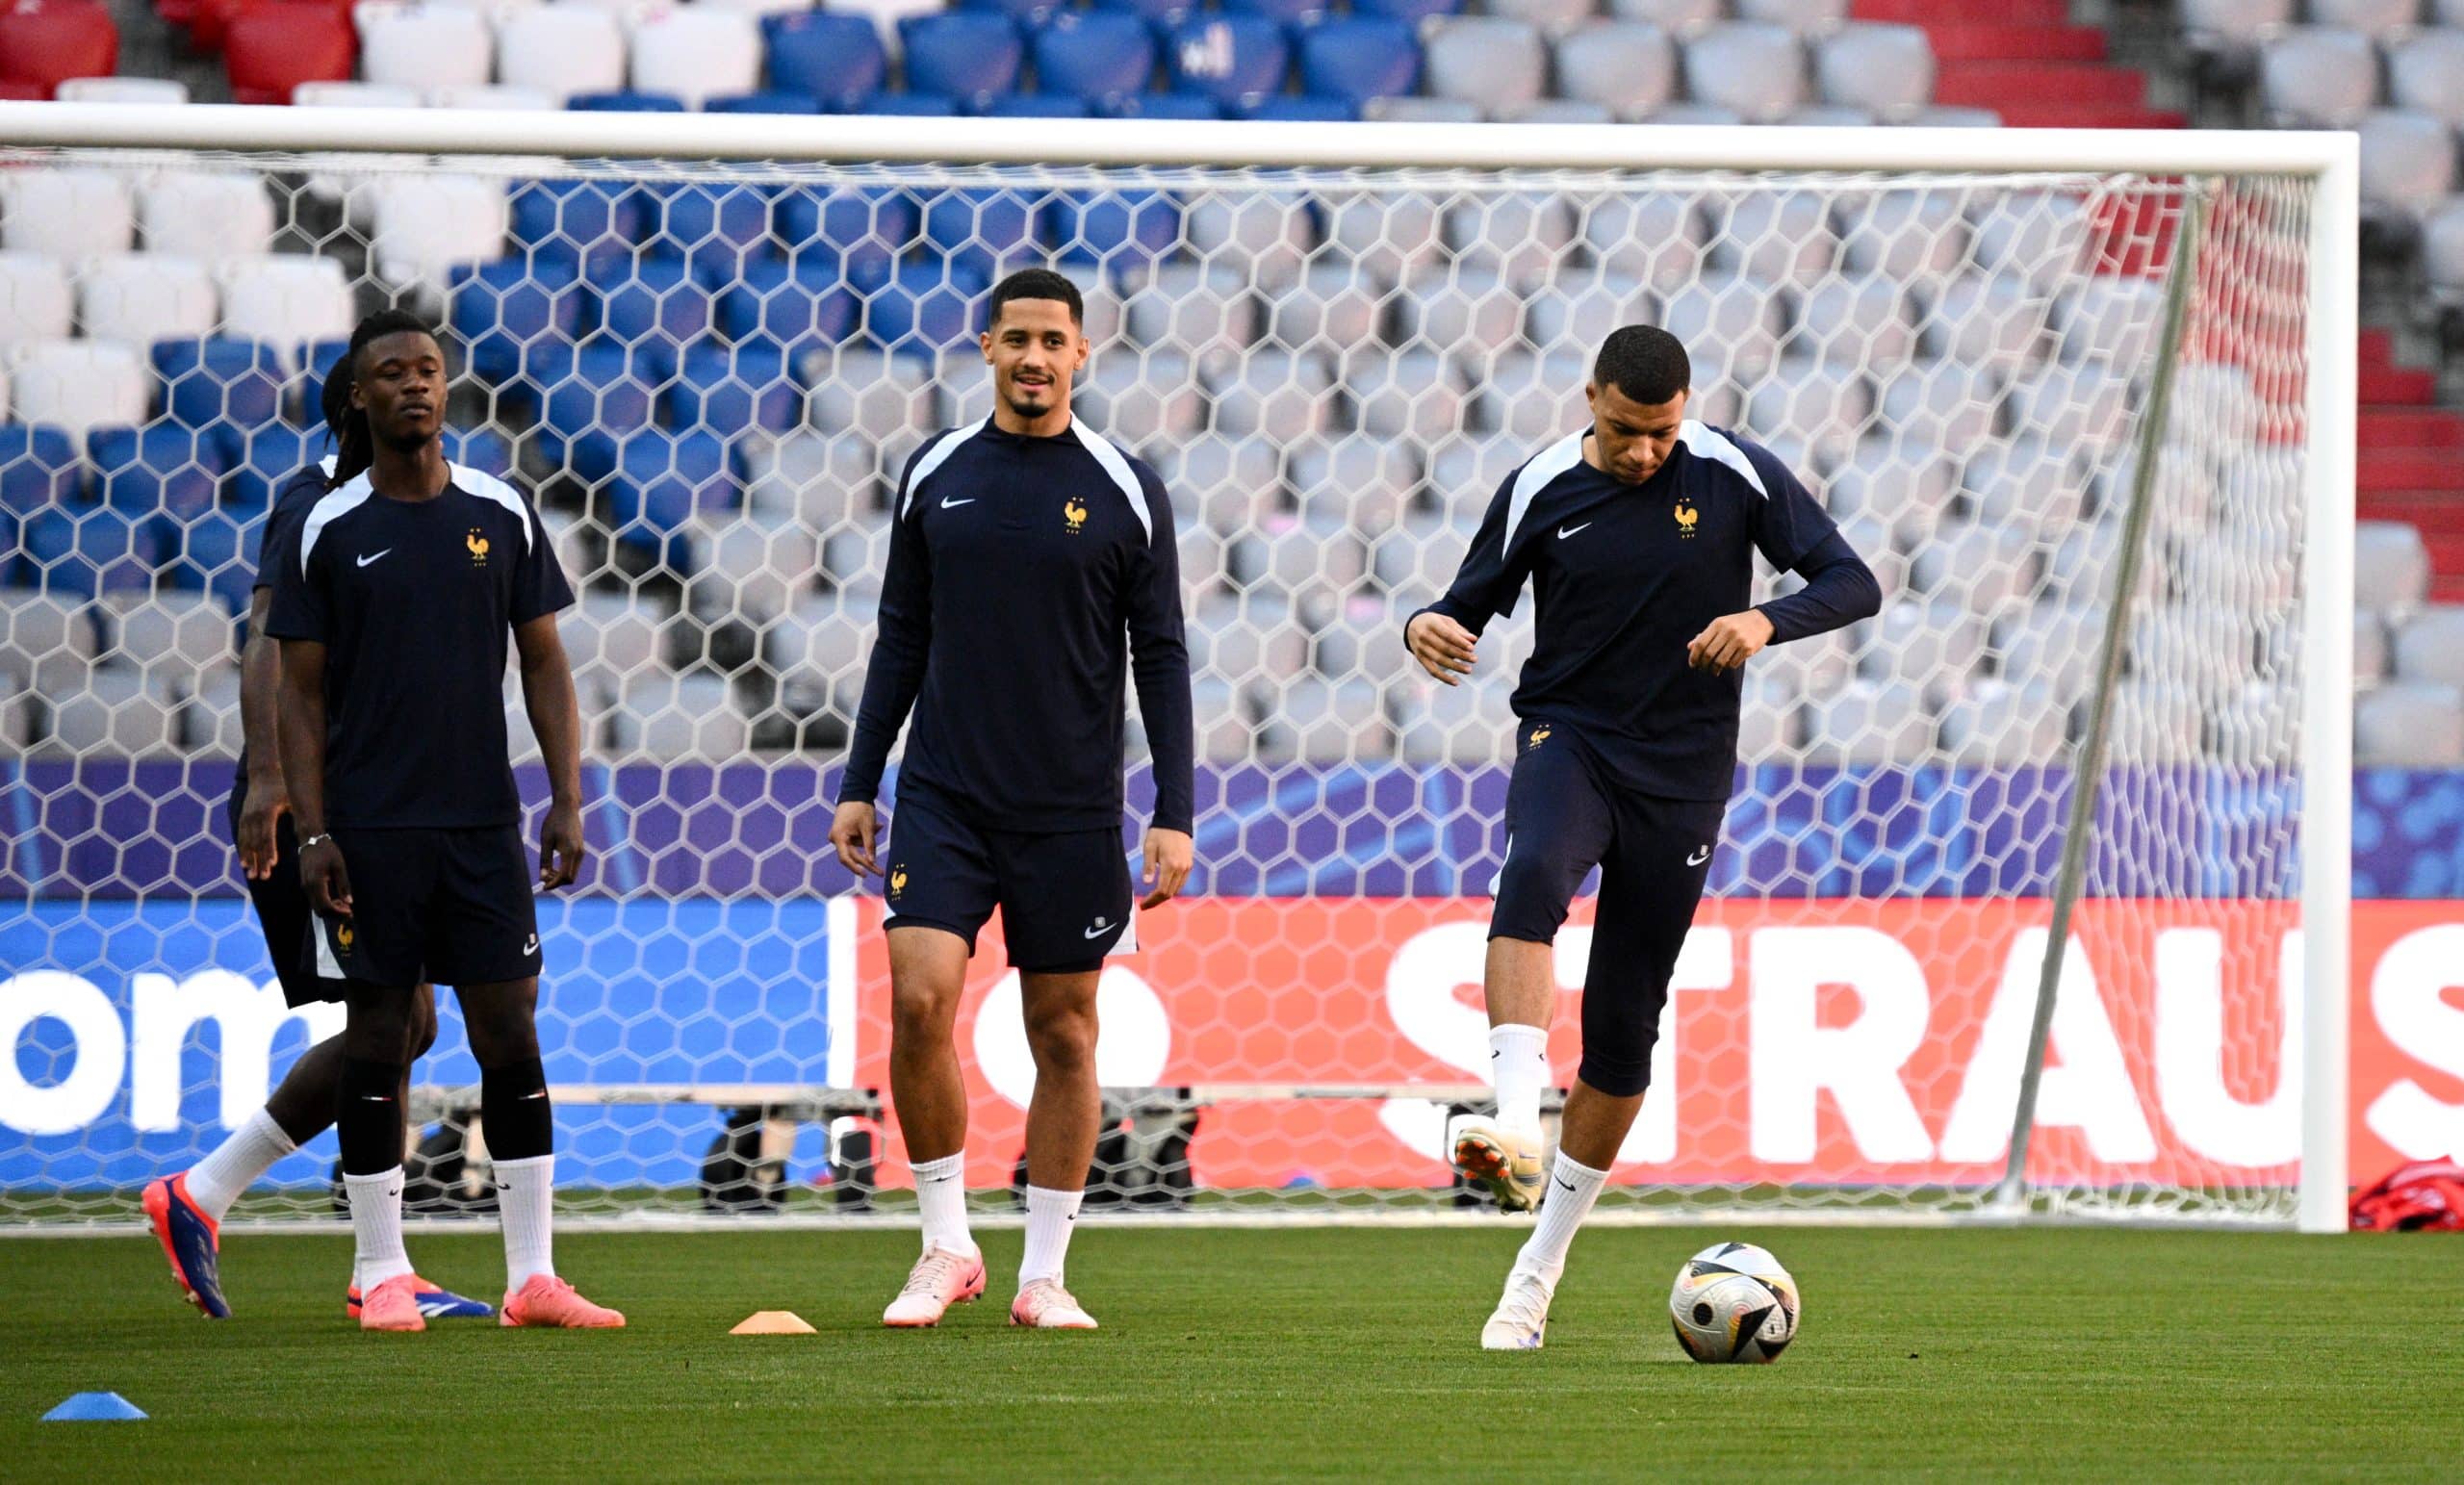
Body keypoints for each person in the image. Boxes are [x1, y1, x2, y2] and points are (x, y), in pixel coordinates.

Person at [1404, 325, 1881, 1350]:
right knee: (1532, 868)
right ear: (1590, 401)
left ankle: (1533, 1273)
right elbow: (1464, 605)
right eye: (1624, 432)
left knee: (1624, 1029)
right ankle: (1511, 1114)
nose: (1642, 454)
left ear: (1686, 409)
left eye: (1660, 433)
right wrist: (1423, 625)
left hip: (1684, 775)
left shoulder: (1734, 471)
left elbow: (1853, 581)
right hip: (1568, 736)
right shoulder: (1538, 483)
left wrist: (1766, 621)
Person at [830, 267, 1194, 1332]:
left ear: (1084, 355)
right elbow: (900, 633)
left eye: (1054, 340)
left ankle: (1043, 1270)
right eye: (1018, 337)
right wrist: (862, 781)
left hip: (1073, 806)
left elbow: (1161, 652)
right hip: (944, 793)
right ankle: (946, 1244)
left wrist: (1174, 805)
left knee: (1067, 1033)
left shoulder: (1127, 485)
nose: (1035, 356)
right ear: (985, 345)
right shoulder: (935, 471)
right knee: (916, 1001)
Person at [268, 309, 619, 1333]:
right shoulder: (329, 528)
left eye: (428, 369)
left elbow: (545, 661)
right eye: (393, 373)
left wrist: (566, 795)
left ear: (446, 385)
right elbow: (296, 690)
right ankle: (381, 1268)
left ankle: (532, 1277)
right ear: (361, 397)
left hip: (482, 827)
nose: (415, 386)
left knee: (508, 1027)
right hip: (371, 830)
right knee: (380, 1033)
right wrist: (314, 833)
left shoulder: (499, 512)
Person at [141, 370, 489, 1324]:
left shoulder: (409, 509)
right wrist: (270, 781)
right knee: (396, 1022)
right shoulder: (313, 505)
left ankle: (373, 1258)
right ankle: (209, 1195)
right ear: (354, 413)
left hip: (372, 801)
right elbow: (266, 640)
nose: (420, 405)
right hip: (312, 802)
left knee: (402, 1023)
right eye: (394, 387)